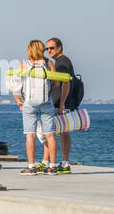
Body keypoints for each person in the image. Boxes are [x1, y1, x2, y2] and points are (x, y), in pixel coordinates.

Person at [14, 39, 58, 174]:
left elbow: (15, 86)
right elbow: (56, 84)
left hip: (29, 103)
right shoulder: (49, 63)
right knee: (50, 135)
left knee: (30, 135)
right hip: (46, 102)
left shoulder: (24, 65)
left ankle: (32, 166)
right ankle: (53, 166)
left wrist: (19, 101)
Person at [46, 37, 75, 171]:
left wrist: (62, 103)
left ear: (59, 47)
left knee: (58, 132)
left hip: (62, 102)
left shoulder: (62, 62)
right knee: (61, 131)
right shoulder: (59, 62)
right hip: (61, 102)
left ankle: (63, 162)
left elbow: (66, 82)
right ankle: (63, 162)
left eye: (51, 48)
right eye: (47, 49)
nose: (49, 51)